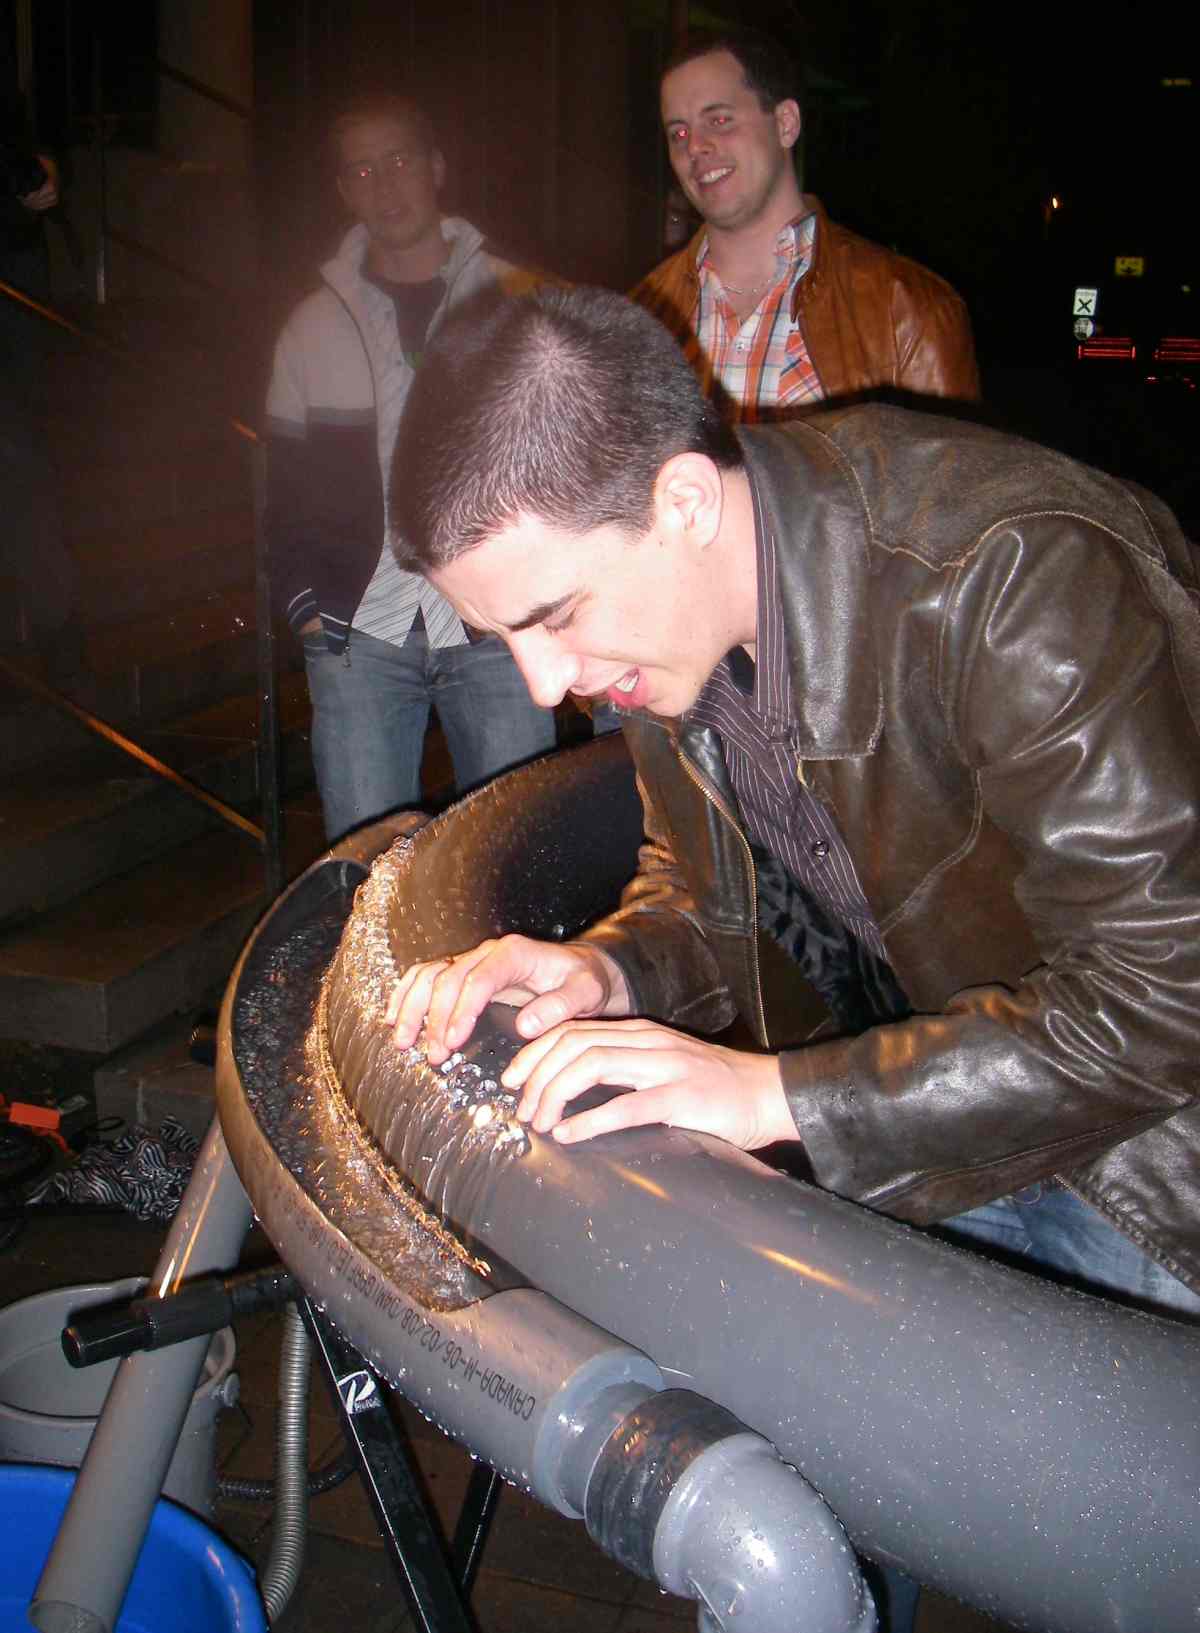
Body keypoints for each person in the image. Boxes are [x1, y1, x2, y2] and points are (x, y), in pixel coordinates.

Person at [384, 282, 1200, 1627]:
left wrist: (779, 1096)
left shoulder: (1012, 572)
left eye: (554, 614)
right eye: (504, 636)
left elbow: (1169, 1001)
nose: (543, 683)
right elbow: (700, 893)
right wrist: (607, 971)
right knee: (806, 1495)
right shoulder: (670, 616)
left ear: (683, 501)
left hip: (1156, 1183)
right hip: (950, 1143)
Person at [264, 95, 556, 840]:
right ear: (344, 190)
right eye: (362, 169)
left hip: (497, 627)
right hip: (360, 631)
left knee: (516, 855)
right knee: (366, 869)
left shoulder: (516, 297)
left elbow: (565, 459)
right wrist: (307, 608)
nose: (385, 184)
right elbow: (283, 488)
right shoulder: (311, 326)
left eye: (398, 159)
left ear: (435, 167)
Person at [633, 28, 980, 420]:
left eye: (720, 120)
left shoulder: (908, 313)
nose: (695, 147)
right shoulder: (641, 317)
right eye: (679, 133)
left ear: (786, 123)